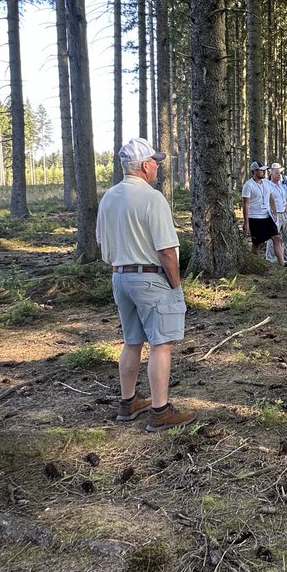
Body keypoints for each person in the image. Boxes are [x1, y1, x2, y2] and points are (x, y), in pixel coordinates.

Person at [96, 138, 196, 431]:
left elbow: (103, 244)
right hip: (151, 277)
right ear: (144, 166)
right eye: (154, 162)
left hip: (120, 276)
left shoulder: (109, 197)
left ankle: (128, 403)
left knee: (132, 341)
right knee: (161, 345)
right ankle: (160, 410)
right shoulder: (152, 199)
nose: (157, 167)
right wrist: (176, 286)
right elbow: (166, 250)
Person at [241, 160, 284, 262]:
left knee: (277, 238)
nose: (264, 172)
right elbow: (246, 204)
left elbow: (271, 197)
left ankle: (282, 263)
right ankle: (256, 263)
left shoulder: (267, 183)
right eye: (261, 170)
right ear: (255, 171)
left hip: (267, 216)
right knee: (256, 243)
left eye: (264, 170)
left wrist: (274, 212)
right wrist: (246, 223)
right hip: (254, 218)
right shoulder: (248, 185)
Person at [265, 164, 287, 266]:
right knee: (273, 236)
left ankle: (286, 254)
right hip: (275, 214)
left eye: (280, 173)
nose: (279, 175)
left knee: (286, 235)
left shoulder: (282, 183)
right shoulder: (268, 185)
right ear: (271, 174)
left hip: (284, 212)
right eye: (276, 173)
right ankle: (270, 257)